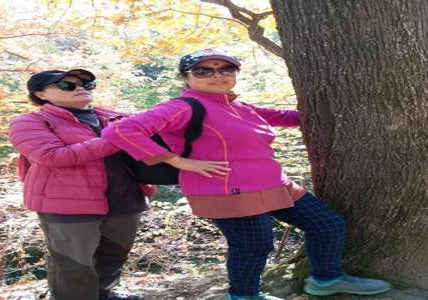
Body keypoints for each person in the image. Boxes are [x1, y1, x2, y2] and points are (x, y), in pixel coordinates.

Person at [102, 49, 391, 300]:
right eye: (203, 70)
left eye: (226, 68)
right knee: (254, 246)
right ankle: (244, 295)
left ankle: (325, 279)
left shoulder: (236, 105)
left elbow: (287, 117)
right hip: (225, 189)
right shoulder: (182, 107)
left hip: (273, 184)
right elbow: (119, 130)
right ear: (186, 77)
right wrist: (176, 161)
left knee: (328, 225)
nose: (217, 75)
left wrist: (353, 107)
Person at [9, 69, 150, 300]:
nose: (80, 88)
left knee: (114, 255)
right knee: (74, 264)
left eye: (87, 83)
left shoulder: (114, 117)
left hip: (126, 199)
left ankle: (104, 293)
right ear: (41, 94)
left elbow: (162, 121)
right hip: (67, 204)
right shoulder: (30, 122)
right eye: (67, 85)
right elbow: (53, 157)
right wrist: (117, 139)